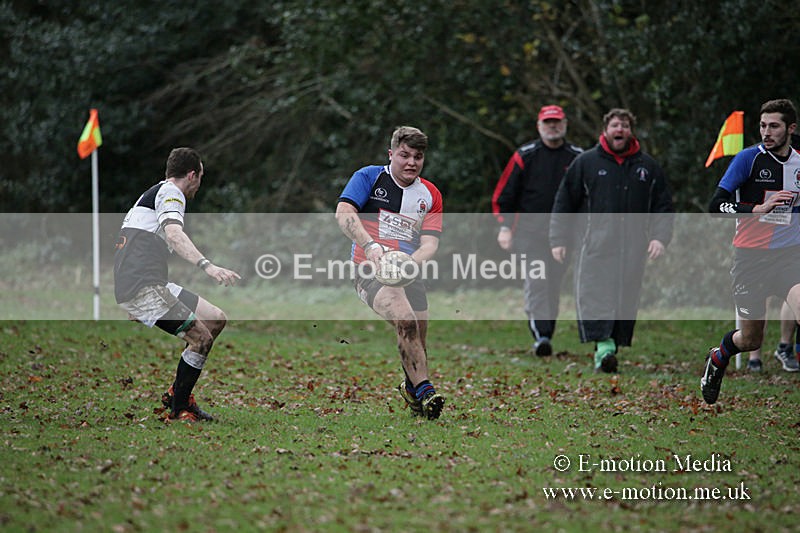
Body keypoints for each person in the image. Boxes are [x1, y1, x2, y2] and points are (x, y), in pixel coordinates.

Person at [113, 147, 241, 422]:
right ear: (192, 175)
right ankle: (181, 408)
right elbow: (173, 234)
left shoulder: (154, 193)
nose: (199, 185)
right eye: (201, 177)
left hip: (149, 283)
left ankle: (176, 393)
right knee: (200, 338)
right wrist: (208, 266)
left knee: (215, 320)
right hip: (143, 286)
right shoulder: (172, 193)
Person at [549, 108, 674, 373]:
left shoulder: (647, 166)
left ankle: (610, 347)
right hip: (594, 244)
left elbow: (663, 205)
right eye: (616, 125)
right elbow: (564, 202)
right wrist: (558, 239)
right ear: (605, 130)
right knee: (595, 294)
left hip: (633, 246)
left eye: (625, 126)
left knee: (624, 297)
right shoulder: (586, 162)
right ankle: (604, 348)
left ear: (631, 131)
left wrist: (660, 238)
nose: (620, 130)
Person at [335, 126, 446, 420]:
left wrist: (411, 262)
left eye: (418, 157)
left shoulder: (430, 194)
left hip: (408, 272)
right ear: (391, 154)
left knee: (418, 341)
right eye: (404, 155)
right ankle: (425, 391)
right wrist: (371, 247)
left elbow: (430, 243)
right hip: (369, 268)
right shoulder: (369, 177)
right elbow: (344, 213)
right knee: (405, 319)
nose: (411, 162)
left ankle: (412, 391)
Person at [701, 98, 800, 404]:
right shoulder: (748, 159)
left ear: (791, 129)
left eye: (774, 126)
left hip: (789, 257)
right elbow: (715, 205)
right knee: (750, 338)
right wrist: (757, 208)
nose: (766, 132)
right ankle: (718, 357)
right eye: (762, 125)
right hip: (750, 259)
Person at [491, 104, 583, 356]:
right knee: (538, 280)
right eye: (547, 123)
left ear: (565, 125)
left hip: (565, 235)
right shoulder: (525, 155)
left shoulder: (577, 156)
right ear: (539, 126)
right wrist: (505, 228)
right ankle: (540, 334)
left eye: (557, 122)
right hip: (530, 234)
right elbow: (504, 195)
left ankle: (546, 333)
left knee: (553, 283)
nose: (552, 127)